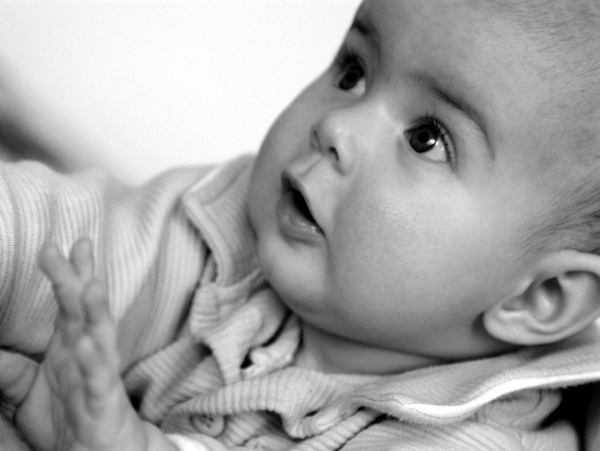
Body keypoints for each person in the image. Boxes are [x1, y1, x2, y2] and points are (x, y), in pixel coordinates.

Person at [1, 0, 600, 449]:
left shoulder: (477, 442)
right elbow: (59, 235)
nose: (336, 127)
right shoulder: (229, 228)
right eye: (353, 72)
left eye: (426, 138)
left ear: (539, 297)